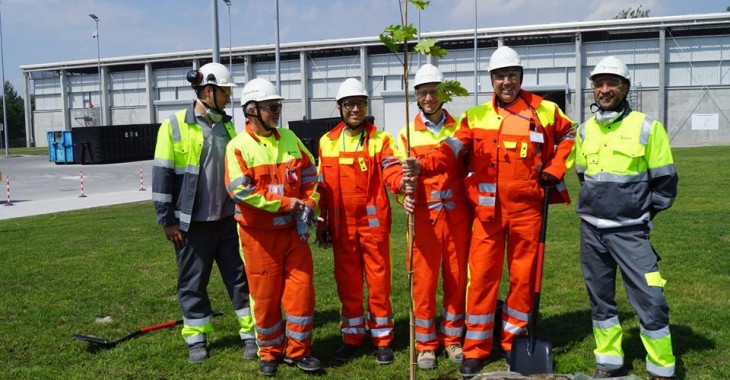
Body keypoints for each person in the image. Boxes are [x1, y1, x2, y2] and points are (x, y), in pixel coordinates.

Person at [403, 46, 575, 378]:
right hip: (486, 214)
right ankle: (476, 349)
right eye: (500, 76)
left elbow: (570, 134)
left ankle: (513, 343)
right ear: (491, 80)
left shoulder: (545, 110)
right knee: (480, 280)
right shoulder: (475, 116)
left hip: (528, 211)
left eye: (511, 75)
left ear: (520, 76)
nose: (506, 82)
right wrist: (420, 164)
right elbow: (450, 151)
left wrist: (555, 167)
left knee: (523, 280)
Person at [575, 56, 678, 380]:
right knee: (601, 300)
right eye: (599, 83)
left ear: (625, 87)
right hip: (592, 232)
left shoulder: (648, 127)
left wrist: (642, 214)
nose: (604, 90)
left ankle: (661, 368)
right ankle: (609, 362)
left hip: (631, 233)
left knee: (652, 297)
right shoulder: (585, 130)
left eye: (612, 83)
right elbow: (584, 175)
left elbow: (665, 183)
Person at [151, 62, 256, 363]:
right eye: (224, 92)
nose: (227, 98)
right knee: (192, 283)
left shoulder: (228, 125)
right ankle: (196, 340)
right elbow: (161, 178)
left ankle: (250, 335)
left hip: (228, 221)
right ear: (208, 91)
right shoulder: (173, 126)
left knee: (240, 279)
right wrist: (167, 220)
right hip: (191, 225)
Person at [224, 77, 320, 377]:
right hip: (259, 238)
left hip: (294, 234)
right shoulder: (237, 148)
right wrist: (287, 204)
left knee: (301, 293)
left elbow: (310, 175)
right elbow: (241, 191)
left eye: (278, 106)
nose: (277, 111)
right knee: (265, 298)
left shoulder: (290, 139)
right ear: (252, 110)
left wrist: (310, 202)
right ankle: (269, 351)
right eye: (271, 107)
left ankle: (299, 351)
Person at [315, 78, 403, 365]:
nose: (356, 109)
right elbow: (323, 188)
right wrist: (322, 223)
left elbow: (391, 172)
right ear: (340, 107)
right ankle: (353, 337)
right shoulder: (326, 143)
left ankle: (382, 340)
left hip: (374, 225)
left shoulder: (381, 139)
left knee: (379, 283)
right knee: (348, 284)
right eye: (350, 104)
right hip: (342, 227)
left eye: (360, 103)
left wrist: (403, 182)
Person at [396, 64, 470, 370]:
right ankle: (425, 344)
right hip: (424, 219)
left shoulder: (461, 127)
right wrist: (403, 195)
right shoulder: (406, 132)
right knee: (423, 282)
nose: (428, 97)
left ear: (443, 94)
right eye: (423, 92)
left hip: (457, 216)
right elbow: (398, 174)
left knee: (456, 279)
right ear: (415, 96)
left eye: (433, 91)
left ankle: (452, 339)